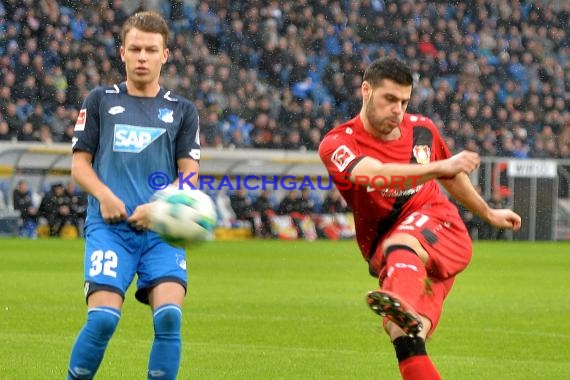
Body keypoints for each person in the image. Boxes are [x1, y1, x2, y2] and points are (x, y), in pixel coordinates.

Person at [318, 57, 521, 380]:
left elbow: (452, 177)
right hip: (394, 256)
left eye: (404, 101)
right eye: (390, 99)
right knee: (407, 339)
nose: (398, 110)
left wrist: (488, 212)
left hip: (438, 226)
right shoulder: (338, 143)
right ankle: (404, 306)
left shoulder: (422, 129)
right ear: (366, 91)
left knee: (401, 246)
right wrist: (438, 168)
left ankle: (401, 299)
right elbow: (374, 174)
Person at [67, 11, 200, 380]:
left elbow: (189, 178)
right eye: (136, 49)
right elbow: (80, 165)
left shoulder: (182, 110)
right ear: (122, 52)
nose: (143, 57)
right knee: (103, 321)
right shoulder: (99, 101)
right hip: (110, 228)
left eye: (151, 50)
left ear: (165, 55)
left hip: (161, 232)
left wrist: (159, 209)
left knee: (170, 316)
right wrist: (104, 195)